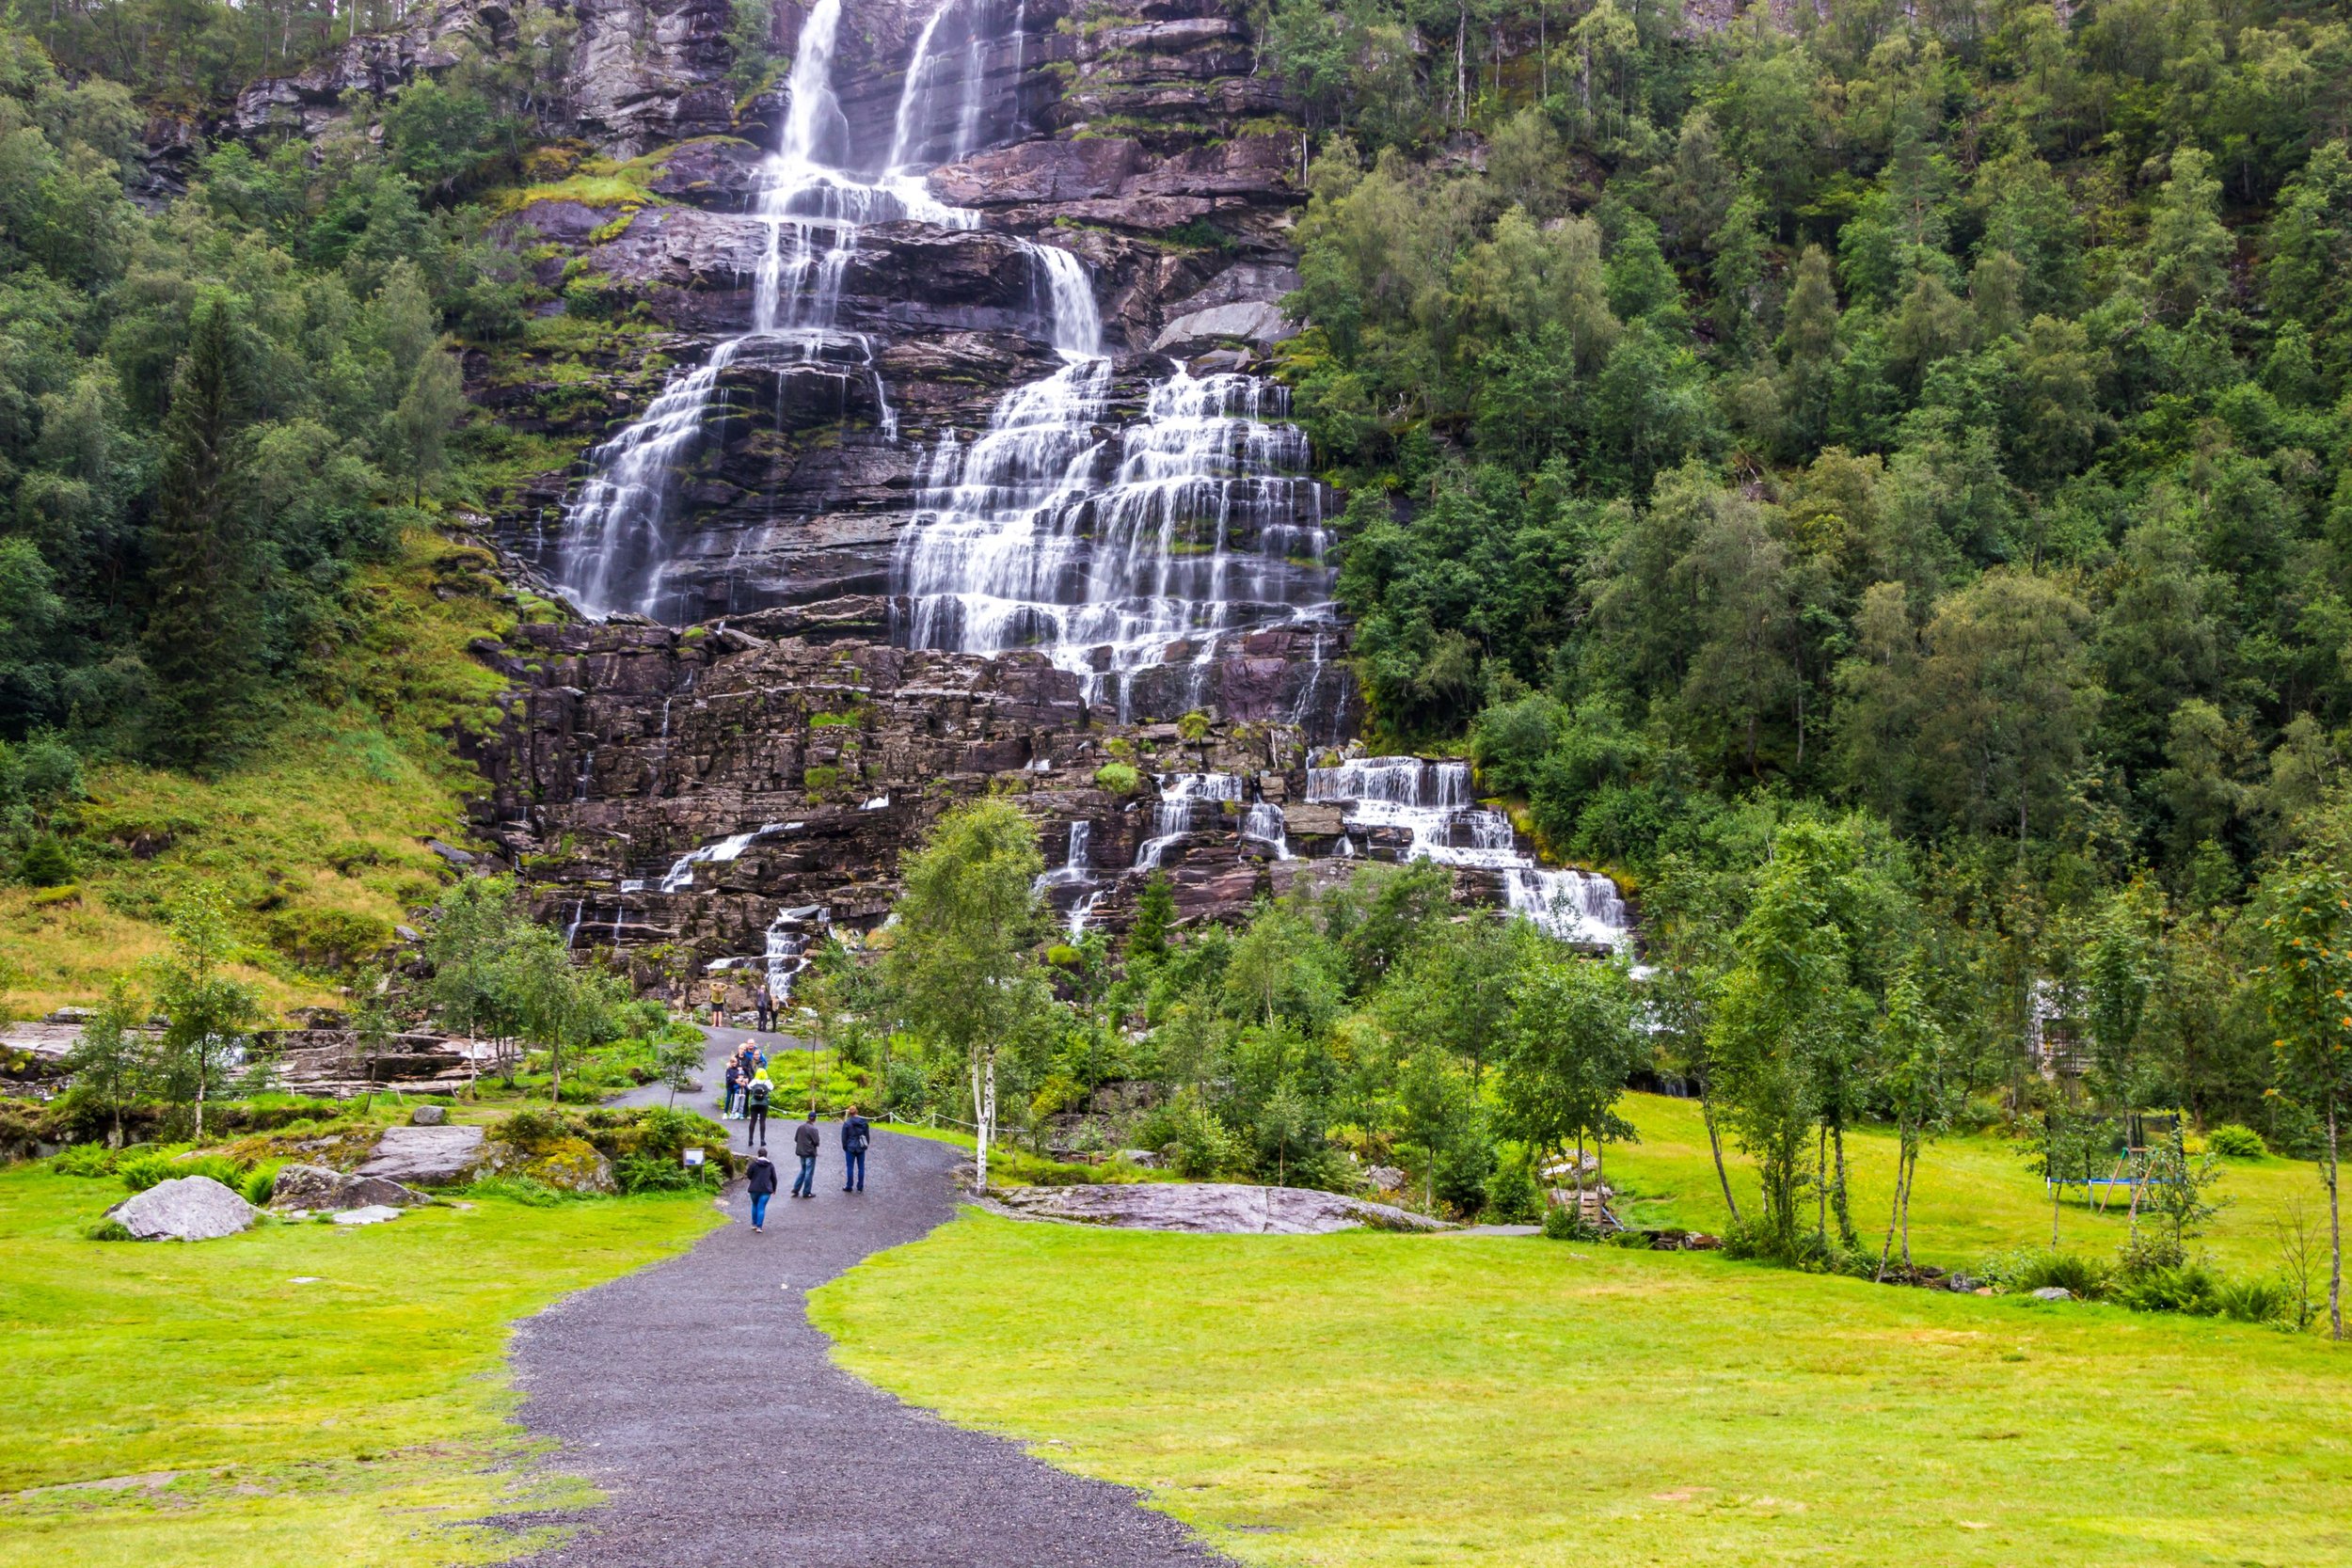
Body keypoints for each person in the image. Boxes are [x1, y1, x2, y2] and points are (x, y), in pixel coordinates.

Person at [745, 1145, 778, 1233]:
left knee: (754, 1205)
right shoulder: (770, 1165)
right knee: (761, 1207)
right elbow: (774, 1178)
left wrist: (753, 1179)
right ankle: (759, 1227)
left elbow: (748, 1175)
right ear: (766, 1155)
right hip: (766, 1190)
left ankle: (754, 1224)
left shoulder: (754, 1165)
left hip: (754, 1189)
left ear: (758, 1155)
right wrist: (774, 1188)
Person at [790, 1112, 821, 1198]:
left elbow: (796, 1139)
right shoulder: (813, 1129)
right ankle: (807, 1192)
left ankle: (796, 1189)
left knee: (803, 1170)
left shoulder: (800, 1127)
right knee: (809, 1173)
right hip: (810, 1153)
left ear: (808, 1117)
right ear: (815, 1119)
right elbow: (816, 1142)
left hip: (801, 1152)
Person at [840, 1107, 870, 1193]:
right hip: (861, 1146)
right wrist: (866, 1145)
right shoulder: (864, 1122)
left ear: (849, 1113)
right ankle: (860, 1187)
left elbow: (844, 1137)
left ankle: (849, 1186)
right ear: (857, 1111)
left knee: (850, 1167)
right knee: (861, 1167)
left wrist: (845, 1147)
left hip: (850, 1147)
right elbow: (867, 1135)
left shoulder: (847, 1123)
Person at [744, 1067, 772, 1148]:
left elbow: (748, 1088)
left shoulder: (754, 1081)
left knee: (753, 1121)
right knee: (762, 1121)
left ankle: (750, 1139)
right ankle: (762, 1140)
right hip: (764, 1104)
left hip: (754, 1103)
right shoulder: (767, 1082)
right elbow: (771, 1088)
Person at [723, 1055, 743, 1120]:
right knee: (728, 1099)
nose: (734, 1063)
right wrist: (735, 1080)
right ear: (730, 1063)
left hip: (736, 1087)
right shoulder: (728, 1070)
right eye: (733, 1062)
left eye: (735, 1062)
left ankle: (732, 1113)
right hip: (729, 1087)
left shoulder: (737, 1070)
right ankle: (725, 1113)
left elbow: (740, 1077)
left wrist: (738, 1080)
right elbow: (729, 1078)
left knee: (735, 1100)